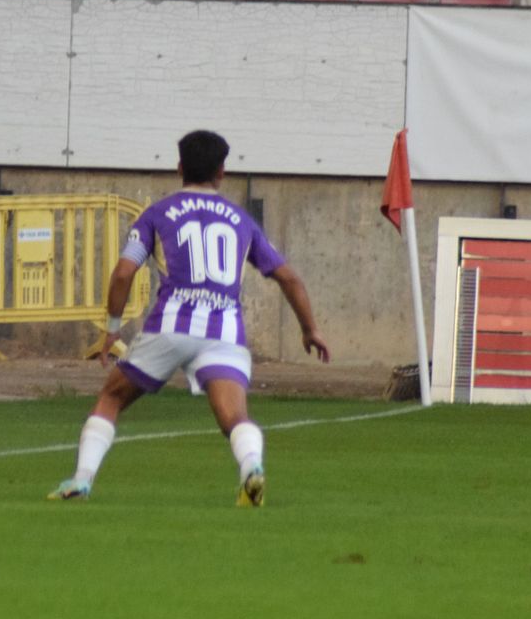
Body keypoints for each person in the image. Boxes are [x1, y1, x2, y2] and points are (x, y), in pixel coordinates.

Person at [48, 131, 331, 507]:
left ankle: (82, 480)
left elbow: (123, 273)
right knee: (235, 417)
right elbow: (289, 278)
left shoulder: (157, 214)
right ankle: (251, 467)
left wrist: (112, 329)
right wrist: (310, 329)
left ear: (179, 167)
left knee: (112, 397)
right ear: (222, 171)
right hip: (224, 333)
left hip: (171, 327)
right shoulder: (242, 221)